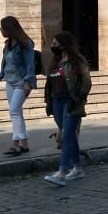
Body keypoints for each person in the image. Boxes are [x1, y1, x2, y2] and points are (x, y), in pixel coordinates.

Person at [42, 32, 92, 186]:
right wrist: (49, 101)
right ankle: (77, 168)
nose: (53, 46)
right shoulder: (55, 61)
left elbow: (86, 81)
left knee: (66, 136)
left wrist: (79, 98)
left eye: (55, 43)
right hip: (56, 101)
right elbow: (49, 83)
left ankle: (62, 172)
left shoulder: (77, 60)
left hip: (71, 102)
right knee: (69, 136)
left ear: (64, 44)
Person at [0, 16, 37, 155]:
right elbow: (4, 64)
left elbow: (30, 65)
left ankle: (15, 144)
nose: (0, 30)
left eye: (2, 28)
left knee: (14, 111)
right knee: (17, 112)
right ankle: (24, 143)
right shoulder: (7, 44)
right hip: (10, 81)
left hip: (22, 82)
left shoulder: (25, 43)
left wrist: (28, 82)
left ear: (9, 28)